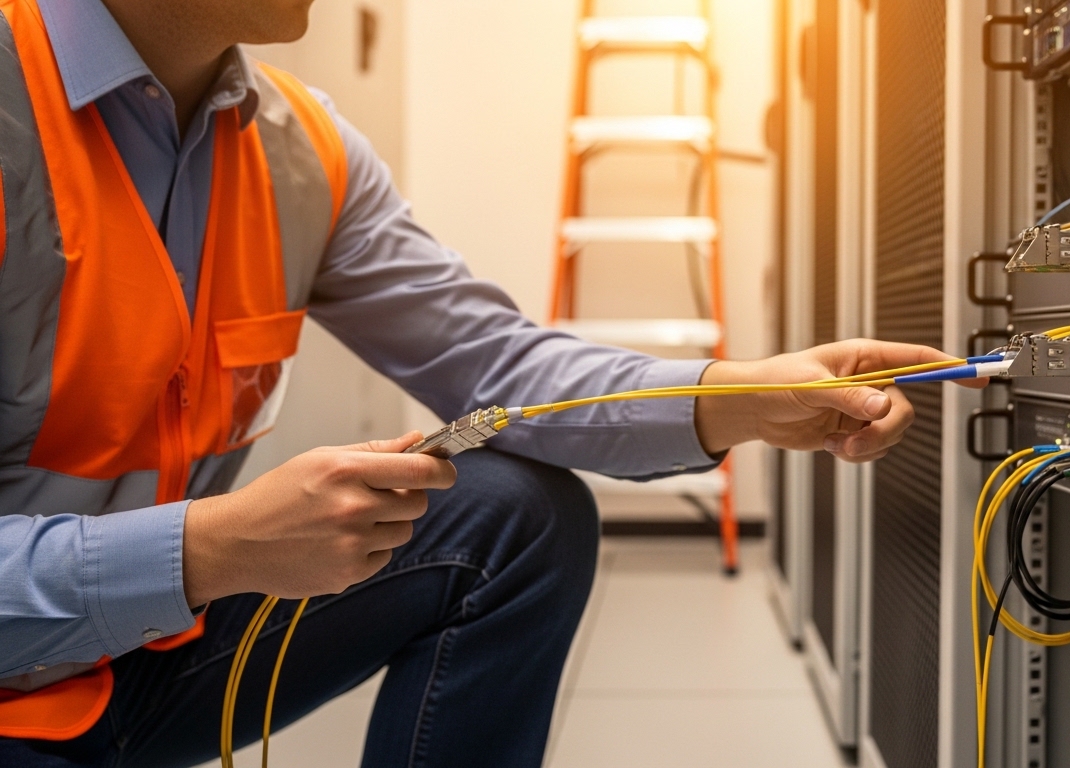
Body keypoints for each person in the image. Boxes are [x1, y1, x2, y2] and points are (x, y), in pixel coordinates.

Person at [0, 1, 978, 765]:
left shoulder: (304, 155)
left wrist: (743, 396)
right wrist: (210, 550)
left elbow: (506, 371)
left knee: (515, 517)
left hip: (155, 652)